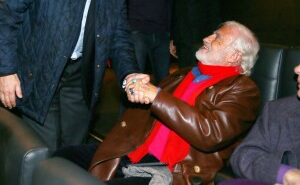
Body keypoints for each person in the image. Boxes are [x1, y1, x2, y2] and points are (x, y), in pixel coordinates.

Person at [0, 0, 150, 152]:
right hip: (39, 72)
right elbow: (6, 10)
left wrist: (130, 75)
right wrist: (5, 69)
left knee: (72, 151)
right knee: (43, 154)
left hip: (81, 78)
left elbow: (119, 38)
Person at [54, 21, 260, 184]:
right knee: (60, 158)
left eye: (217, 38)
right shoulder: (185, 73)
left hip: (170, 170)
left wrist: (156, 95)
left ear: (234, 55)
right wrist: (139, 88)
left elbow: (210, 134)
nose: (207, 38)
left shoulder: (243, 89)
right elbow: (148, 107)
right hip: (133, 150)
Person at [229, 64, 300, 185]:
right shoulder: (279, 110)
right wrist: (284, 174)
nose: (297, 69)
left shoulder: (240, 88)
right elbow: (243, 157)